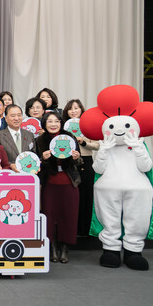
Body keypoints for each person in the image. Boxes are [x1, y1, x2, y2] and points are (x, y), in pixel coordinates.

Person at [35, 111, 82, 263]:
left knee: (69, 215)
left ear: (61, 123)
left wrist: (76, 158)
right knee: (49, 215)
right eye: (49, 121)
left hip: (69, 182)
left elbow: (80, 161)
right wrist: (42, 158)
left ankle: (65, 247)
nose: (53, 124)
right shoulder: (39, 140)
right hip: (49, 183)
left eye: (56, 121)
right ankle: (53, 247)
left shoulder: (70, 137)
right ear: (44, 124)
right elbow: (35, 164)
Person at [63, 99, 99, 237]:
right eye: (70, 108)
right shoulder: (63, 127)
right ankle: (72, 228)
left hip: (86, 162)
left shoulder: (89, 126)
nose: (73, 111)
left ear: (81, 110)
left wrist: (83, 142)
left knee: (86, 195)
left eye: (76, 108)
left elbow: (97, 145)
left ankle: (85, 228)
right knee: (71, 197)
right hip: (69, 163)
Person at [0, 104, 36, 171]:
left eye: (19, 115)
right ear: (6, 118)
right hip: (8, 173)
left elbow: (33, 155)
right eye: (13, 116)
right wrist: (10, 165)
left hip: (27, 173)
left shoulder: (29, 134)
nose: (16, 118)